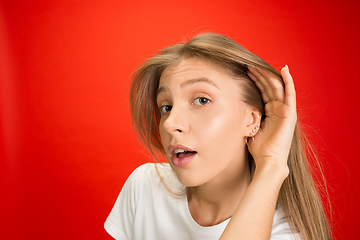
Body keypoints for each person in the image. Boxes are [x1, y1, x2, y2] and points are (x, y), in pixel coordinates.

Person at [104, 33, 331, 240]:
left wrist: (272, 165)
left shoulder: (285, 234)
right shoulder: (146, 186)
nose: (171, 123)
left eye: (202, 100)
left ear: (251, 121)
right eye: (166, 106)